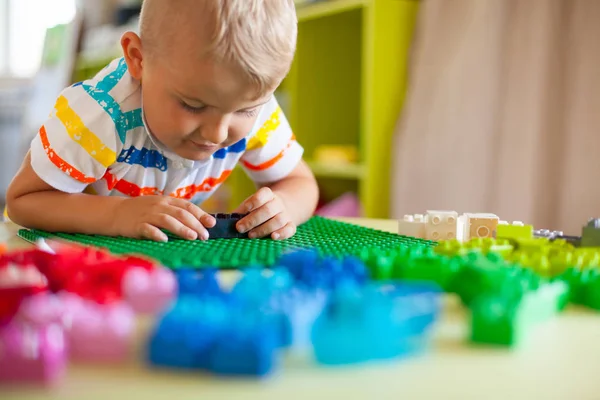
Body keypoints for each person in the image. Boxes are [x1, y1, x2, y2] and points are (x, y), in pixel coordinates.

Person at [6, 0, 319, 242]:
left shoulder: (252, 103)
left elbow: (301, 183)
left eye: (245, 111)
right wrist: (118, 215)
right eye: (192, 105)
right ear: (138, 59)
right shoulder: (98, 115)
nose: (217, 133)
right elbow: (24, 201)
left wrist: (284, 207)